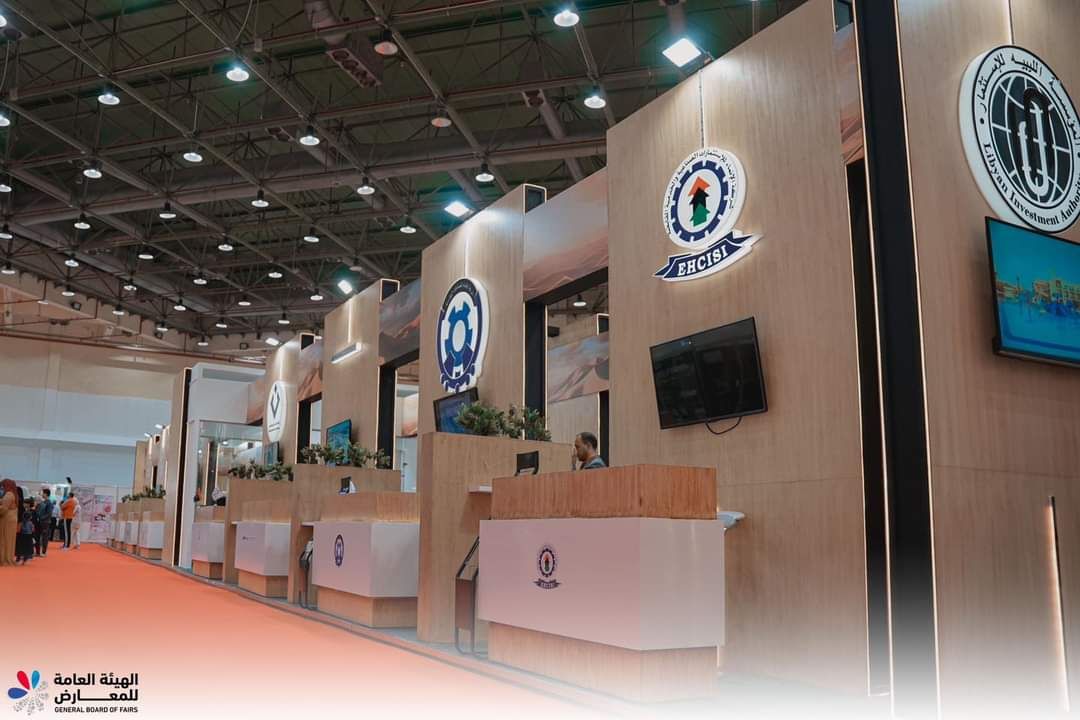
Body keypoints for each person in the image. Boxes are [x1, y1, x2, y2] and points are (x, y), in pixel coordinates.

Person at [0, 479, 17, 566]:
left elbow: (3, 509)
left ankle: (4, 559)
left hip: (7, 520)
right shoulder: (13, 494)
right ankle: (8, 558)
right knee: (10, 541)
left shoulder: (8, 495)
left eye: (3, 486)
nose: (2, 488)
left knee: (5, 540)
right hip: (11, 520)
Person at [35, 488, 54, 556]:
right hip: (40, 522)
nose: (42, 494)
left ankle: (43, 552)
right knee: (38, 536)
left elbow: (49, 514)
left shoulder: (49, 503)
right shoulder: (43, 502)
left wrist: (41, 518)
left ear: (46, 494)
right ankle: (38, 552)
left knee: (44, 537)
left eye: (43, 493)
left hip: (45, 522)